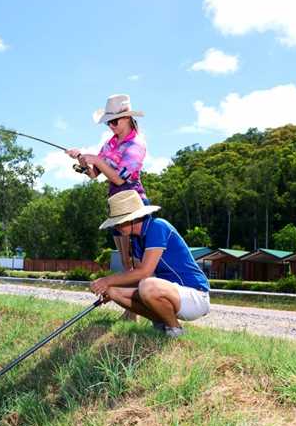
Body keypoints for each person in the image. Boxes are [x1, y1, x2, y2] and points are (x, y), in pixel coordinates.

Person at [66, 93, 149, 318]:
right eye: (109, 122)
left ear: (128, 118)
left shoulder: (136, 144)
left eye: (115, 121)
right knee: (125, 260)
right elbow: (95, 173)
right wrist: (82, 161)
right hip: (115, 204)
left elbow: (121, 178)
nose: (111, 126)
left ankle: (137, 309)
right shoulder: (110, 143)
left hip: (132, 204)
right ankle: (133, 308)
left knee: (136, 259)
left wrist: (96, 159)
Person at [90, 190, 210, 338]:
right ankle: (161, 324)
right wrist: (109, 287)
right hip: (171, 294)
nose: (116, 228)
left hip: (195, 296)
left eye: (119, 223)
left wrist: (106, 280)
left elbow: (145, 273)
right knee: (114, 291)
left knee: (147, 286)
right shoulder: (136, 239)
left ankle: (175, 330)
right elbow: (137, 277)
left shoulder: (157, 227)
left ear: (133, 218)